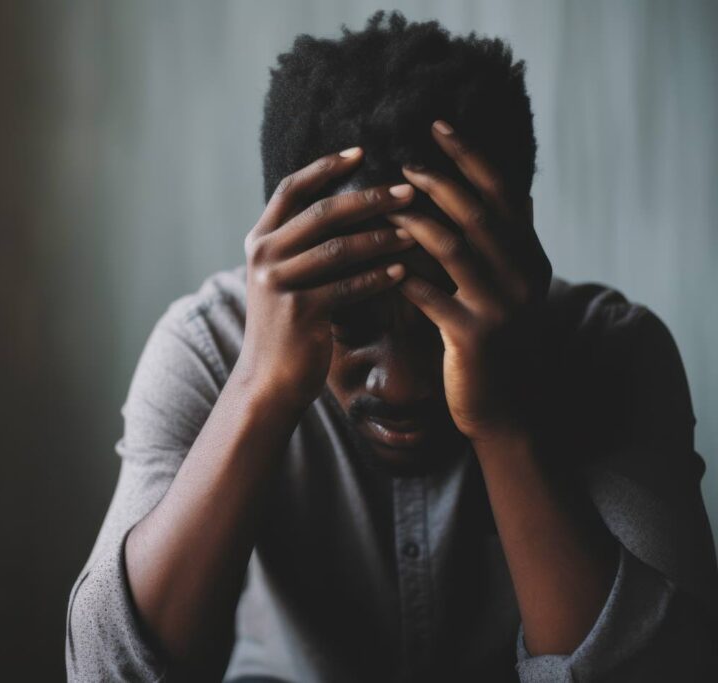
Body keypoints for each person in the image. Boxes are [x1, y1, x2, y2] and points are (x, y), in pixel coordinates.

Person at [64, 11, 718, 682]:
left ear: (519, 254)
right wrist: (258, 386)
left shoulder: (613, 354)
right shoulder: (207, 349)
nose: (399, 386)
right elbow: (106, 672)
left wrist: (504, 422)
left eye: (442, 320)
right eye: (349, 321)